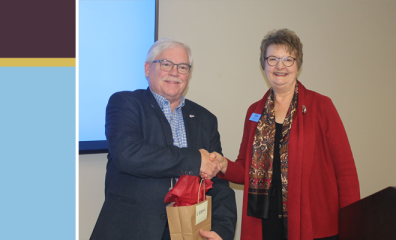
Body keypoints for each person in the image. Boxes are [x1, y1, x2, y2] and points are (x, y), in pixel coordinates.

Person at [212, 29, 360, 240]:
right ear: (263, 65)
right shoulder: (254, 112)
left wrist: (352, 224)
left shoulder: (321, 106)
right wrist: (223, 165)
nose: (279, 66)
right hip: (265, 222)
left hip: (315, 225)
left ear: (298, 65)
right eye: (272, 59)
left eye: (287, 59)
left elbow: (346, 172)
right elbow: (245, 168)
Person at [90, 37, 236, 240]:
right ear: (147, 68)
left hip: (189, 232)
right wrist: (195, 160)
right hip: (131, 230)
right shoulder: (125, 103)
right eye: (166, 64)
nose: (175, 72)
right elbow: (128, 155)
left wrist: (222, 230)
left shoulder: (206, 119)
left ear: (189, 74)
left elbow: (218, 182)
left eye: (183, 67)